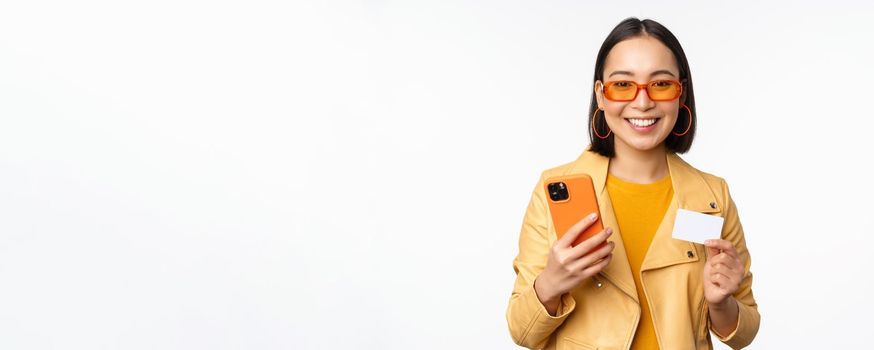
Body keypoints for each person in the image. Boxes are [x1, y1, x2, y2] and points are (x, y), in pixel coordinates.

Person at [505, 17, 760, 350]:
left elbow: (745, 332)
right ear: (601, 95)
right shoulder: (554, 189)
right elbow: (521, 332)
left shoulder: (712, 197)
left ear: (680, 94)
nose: (642, 102)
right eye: (623, 85)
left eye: (661, 84)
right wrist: (551, 283)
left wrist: (720, 303)